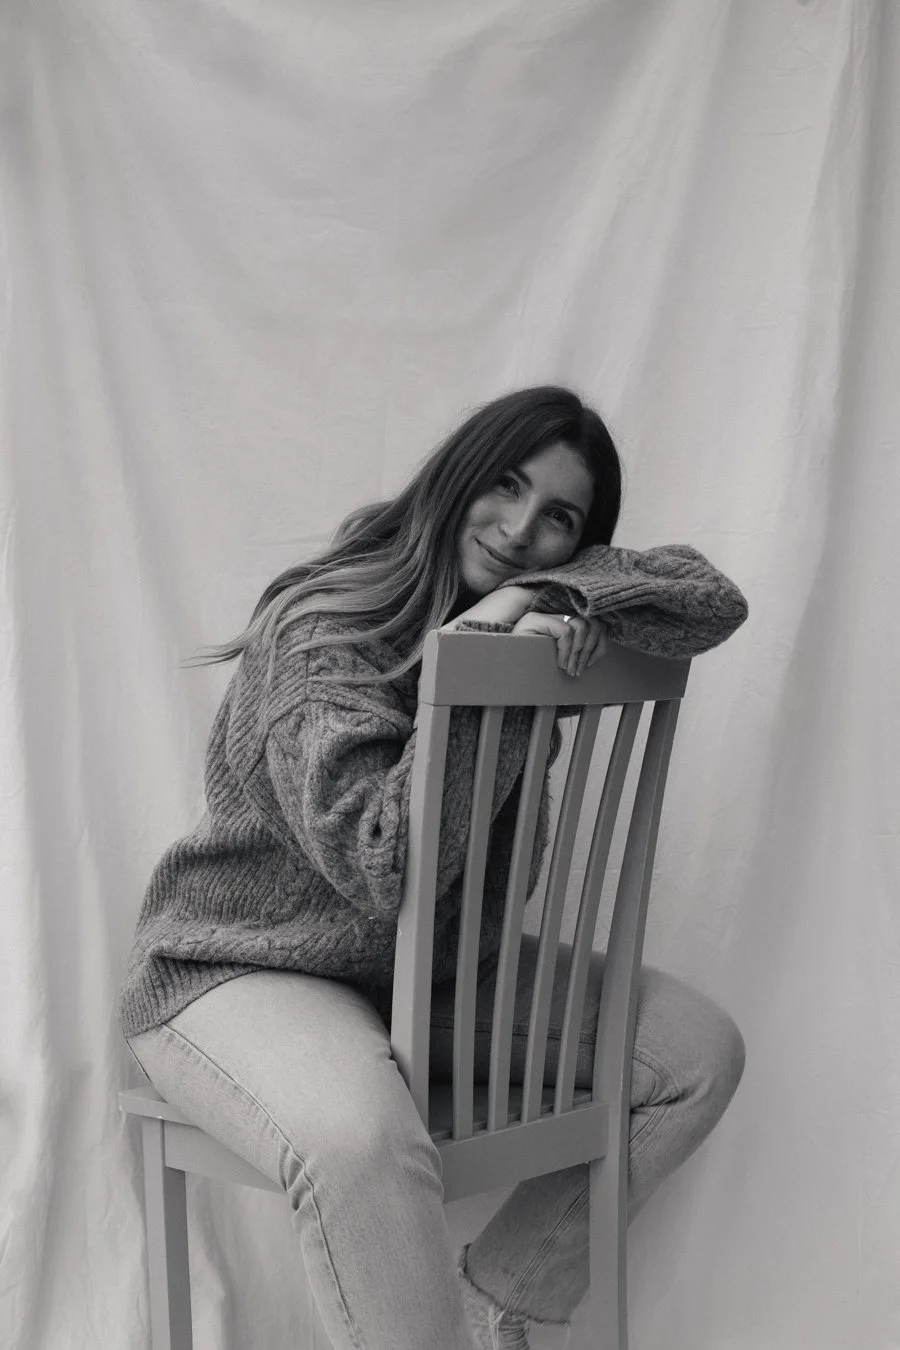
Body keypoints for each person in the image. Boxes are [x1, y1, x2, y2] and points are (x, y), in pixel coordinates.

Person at [119, 386, 746, 1350]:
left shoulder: (538, 613)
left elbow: (707, 600)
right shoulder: (322, 629)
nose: (520, 529)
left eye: (560, 518)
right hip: (242, 963)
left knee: (693, 1057)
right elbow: (385, 866)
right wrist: (479, 650)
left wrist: (558, 594)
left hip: (427, 968)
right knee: (361, 1142)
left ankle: (499, 1307)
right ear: (459, 477)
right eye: (506, 485)